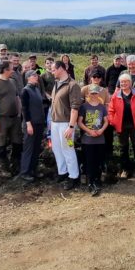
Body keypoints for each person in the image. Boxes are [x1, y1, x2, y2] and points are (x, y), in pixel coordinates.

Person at [50, 60, 83, 189]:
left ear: (61, 69)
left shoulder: (72, 85)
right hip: (55, 123)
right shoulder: (57, 83)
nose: (52, 72)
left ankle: (73, 176)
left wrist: (71, 126)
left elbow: (75, 107)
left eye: (53, 69)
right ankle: (62, 172)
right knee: (57, 149)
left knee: (68, 149)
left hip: (66, 124)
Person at [0, 60, 23, 174]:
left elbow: (17, 98)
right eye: (11, 68)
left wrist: (19, 112)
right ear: (5, 70)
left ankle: (15, 165)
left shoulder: (12, 82)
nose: (13, 70)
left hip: (15, 118)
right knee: (0, 144)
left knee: (17, 142)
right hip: (1, 118)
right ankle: (3, 167)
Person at [108, 72, 135, 178]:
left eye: (126, 81)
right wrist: (113, 121)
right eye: (122, 82)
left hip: (134, 125)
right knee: (123, 148)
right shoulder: (116, 95)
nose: (124, 84)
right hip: (121, 126)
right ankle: (125, 169)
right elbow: (110, 110)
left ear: (130, 83)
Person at [78, 85, 109, 195]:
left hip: (100, 138)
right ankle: (90, 182)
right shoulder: (84, 107)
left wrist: (101, 130)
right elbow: (80, 122)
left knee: (98, 160)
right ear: (88, 94)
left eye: (96, 93)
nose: (94, 95)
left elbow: (106, 121)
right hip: (88, 139)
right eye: (92, 93)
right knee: (89, 161)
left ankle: (97, 180)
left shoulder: (102, 107)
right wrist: (89, 131)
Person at [20, 69, 47, 182]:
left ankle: (33, 170)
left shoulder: (36, 89)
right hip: (31, 124)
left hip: (39, 123)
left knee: (36, 148)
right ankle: (25, 172)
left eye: (36, 75)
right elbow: (25, 109)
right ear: (28, 78)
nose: (36, 76)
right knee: (29, 148)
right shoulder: (25, 91)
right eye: (33, 75)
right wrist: (28, 124)